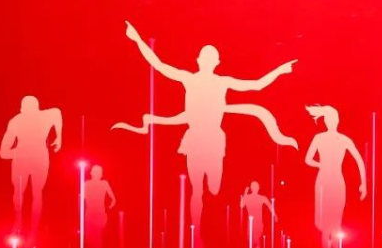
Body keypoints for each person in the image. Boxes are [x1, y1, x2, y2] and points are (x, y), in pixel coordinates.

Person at [113, 21, 297, 242]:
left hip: (214, 139)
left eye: (212, 59)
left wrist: (279, 71)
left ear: (216, 63)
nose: (208, 62)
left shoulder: (223, 82)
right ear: (198, 60)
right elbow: (159, 65)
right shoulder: (189, 79)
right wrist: (137, 40)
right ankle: (197, 232)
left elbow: (256, 85)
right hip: (194, 139)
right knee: (196, 189)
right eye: (205, 58)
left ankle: (209, 222)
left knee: (214, 187)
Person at [0, 96, 63, 241]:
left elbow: (57, 113)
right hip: (25, 159)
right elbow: (3, 152)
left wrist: (59, 137)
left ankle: (32, 230)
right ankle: (19, 222)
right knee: (21, 193)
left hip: (38, 159)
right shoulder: (16, 121)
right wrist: (20, 153)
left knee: (36, 193)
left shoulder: (39, 117)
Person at [303, 105, 366, 248]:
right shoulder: (330, 138)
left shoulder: (336, 139)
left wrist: (363, 183)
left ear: (336, 121)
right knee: (329, 223)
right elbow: (307, 159)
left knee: (334, 223)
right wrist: (321, 164)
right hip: (327, 181)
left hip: (331, 181)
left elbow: (359, 159)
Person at [83, 165, 116, 248]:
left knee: (96, 239)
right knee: (93, 240)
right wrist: (110, 206)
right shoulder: (86, 184)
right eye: (96, 172)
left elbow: (114, 199)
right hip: (91, 215)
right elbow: (113, 200)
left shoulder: (103, 183)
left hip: (97, 215)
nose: (98, 174)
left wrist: (109, 207)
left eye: (99, 172)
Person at [240, 181, 276, 248]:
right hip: (251, 223)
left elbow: (270, 206)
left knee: (255, 240)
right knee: (253, 241)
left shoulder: (261, 198)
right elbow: (241, 205)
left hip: (257, 223)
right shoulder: (250, 197)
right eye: (254, 187)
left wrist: (275, 215)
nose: (255, 188)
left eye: (256, 187)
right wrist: (245, 193)